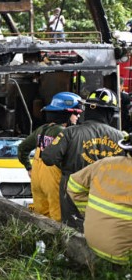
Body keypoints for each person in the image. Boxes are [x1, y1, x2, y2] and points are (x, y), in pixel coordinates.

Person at [41, 88, 126, 230]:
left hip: (72, 195)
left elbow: (48, 157)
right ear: (110, 113)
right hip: (108, 195)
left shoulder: (70, 133)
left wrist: (68, 161)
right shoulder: (122, 138)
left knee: (72, 233)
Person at [66, 133, 132, 263]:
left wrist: (88, 211)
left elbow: (73, 184)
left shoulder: (104, 164)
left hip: (95, 243)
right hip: (124, 256)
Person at [17, 92, 83, 221]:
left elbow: (22, 149)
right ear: (66, 114)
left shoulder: (42, 129)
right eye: (75, 113)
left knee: (41, 218)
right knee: (58, 220)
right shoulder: (65, 133)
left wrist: (29, 168)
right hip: (53, 182)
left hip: (37, 178)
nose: (77, 117)